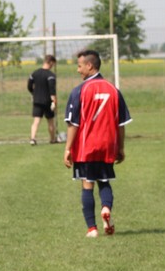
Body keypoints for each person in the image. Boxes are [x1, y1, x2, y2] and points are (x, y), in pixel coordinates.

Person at [63, 49, 132, 237]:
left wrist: (68, 149)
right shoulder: (113, 90)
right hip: (107, 146)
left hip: (87, 147)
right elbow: (121, 124)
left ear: (89, 65)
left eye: (79, 66)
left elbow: (73, 124)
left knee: (87, 184)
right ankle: (106, 208)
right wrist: (120, 147)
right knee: (104, 181)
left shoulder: (79, 91)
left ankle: (92, 229)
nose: (78, 70)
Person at [27, 54, 58, 145]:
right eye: (53, 64)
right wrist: (54, 101)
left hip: (37, 100)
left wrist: (34, 93)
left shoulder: (34, 73)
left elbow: (29, 86)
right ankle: (52, 139)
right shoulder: (51, 75)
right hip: (47, 101)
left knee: (36, 121)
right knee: (50, 121)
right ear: (51, 62)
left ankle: (32, 139)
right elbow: (52, 89)